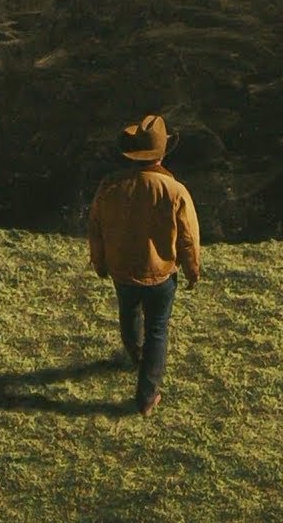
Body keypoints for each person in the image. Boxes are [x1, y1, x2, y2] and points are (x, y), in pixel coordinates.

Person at [88, 114, 201, 416]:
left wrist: (100, 263)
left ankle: (134, 354)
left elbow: (96, 228)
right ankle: (147, 397)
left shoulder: (110, 186)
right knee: (158, 330)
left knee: (128, 313)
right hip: (161, 275)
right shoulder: (174, 191)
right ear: (162, 153)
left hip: (122, 271)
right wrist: (192, 270)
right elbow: (188, 237)